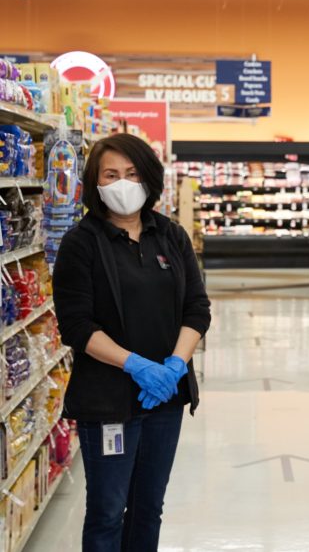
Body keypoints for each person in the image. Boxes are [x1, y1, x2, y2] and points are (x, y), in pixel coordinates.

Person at [52, 134, 211, 552]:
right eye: (111, 174)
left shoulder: (171, 237)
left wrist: (175, 366)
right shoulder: (81, 243)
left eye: (133, 173)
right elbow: (76, 324)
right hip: (109, 402)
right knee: (107, 510)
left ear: (149, 179)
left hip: (164, 400)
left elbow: (197, 309)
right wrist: (136, 365)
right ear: (96, 183)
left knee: (148, 507)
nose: (123, 183)